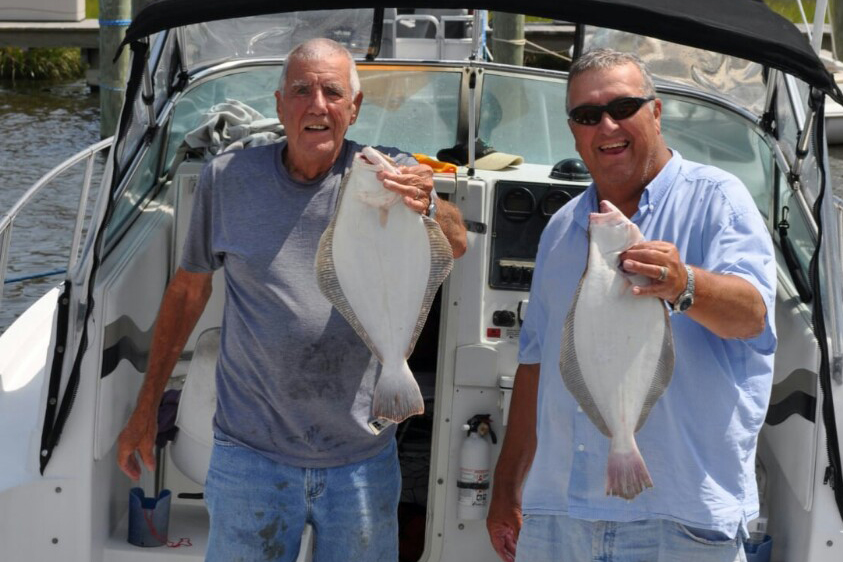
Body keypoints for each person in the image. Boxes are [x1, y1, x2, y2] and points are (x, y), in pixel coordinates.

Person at [116, 38, 466, 561]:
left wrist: (429, 204)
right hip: (248, 458)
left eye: (333, 92)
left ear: (354, 108)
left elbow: (456, 245)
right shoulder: (228, 178)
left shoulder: (389, 174)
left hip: (361, 456)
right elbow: (188, 291)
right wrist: (146, 408)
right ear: (279, 106)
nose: (317, 105)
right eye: (301, 91)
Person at [487, 48, 776, 562]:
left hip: (678, 516)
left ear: (656, 112)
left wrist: (684, 284)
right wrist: (507, 486)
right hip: (559, 514)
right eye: (587, 115)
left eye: (623, 107)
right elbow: (535, 364)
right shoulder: (561, 230)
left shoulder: (718, 199)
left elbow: (752, 316)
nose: (607, 125)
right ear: (573, 132)